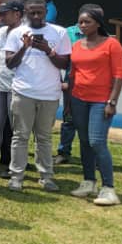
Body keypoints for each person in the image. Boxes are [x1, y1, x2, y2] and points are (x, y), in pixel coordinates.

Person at [2, 0, 71, 193]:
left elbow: (65, 64)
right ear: (25, 12)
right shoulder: (17, 33)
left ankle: (46, 176)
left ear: (45, 12)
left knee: (44, 137)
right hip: (23, 91)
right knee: (20, 136)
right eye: (31, 12)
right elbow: (9, 64)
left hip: (49, 93)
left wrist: (48, 50)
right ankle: (17, 176)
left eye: (40, 12)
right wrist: (24, 47)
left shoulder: (59, 32)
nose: (36, 15)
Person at [68, 5, 122, 206]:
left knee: (97, 142)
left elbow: (118, 76)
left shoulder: (112, 44)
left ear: (98, 23)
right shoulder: (76, 45)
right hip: (78, 99)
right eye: (80, 22)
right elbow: (73, 75)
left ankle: (109, 188)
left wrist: (112, 102)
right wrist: (68, 103)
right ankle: (89, 181)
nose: (82, 25)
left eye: (87, 22)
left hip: (101, 101)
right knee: (84, 141)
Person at [0, 0, 23, 179]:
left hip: (17, 86)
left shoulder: (25, 32)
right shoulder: (1, 31)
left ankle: (11, 164)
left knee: (14, 127)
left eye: (4, 13)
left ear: (17, 14)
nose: (1, 16)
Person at [54, 19, 86, 165]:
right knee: (69, 118)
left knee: (91, 122)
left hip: (93, 85)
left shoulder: (103, 38)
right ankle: (63, 152)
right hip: (71, 82)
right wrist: (61, 81)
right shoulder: (67, 33)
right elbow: (59, 59)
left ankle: (92, 156)